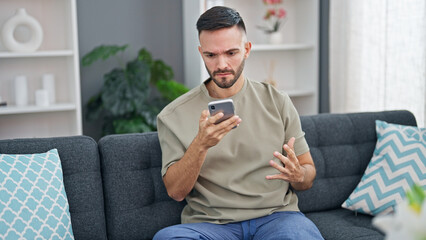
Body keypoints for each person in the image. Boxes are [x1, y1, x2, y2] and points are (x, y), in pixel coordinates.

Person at [154, 6, 323, 240]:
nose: (221, 64)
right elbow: (176, 192)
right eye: (211, 55)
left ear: (247, 49)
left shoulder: (278, 101)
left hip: (277, 217)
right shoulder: (173, 115)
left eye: (231, 53)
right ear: (201, 53)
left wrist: (298, 175)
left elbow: (309, 174)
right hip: (210, 225)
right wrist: (200, 145)